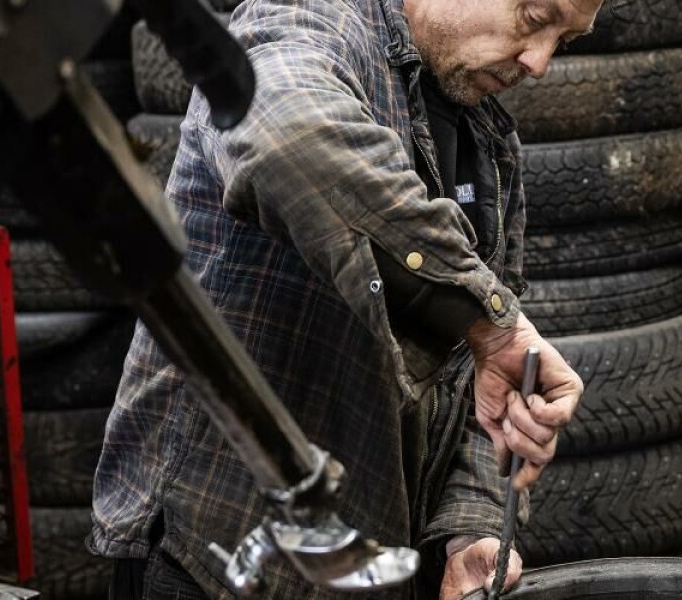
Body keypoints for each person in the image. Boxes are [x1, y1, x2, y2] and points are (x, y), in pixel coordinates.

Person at [89, 0, 601, 598]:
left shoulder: (486, 139)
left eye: (564, 40)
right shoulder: (309, 23)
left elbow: (479, 376)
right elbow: (285, 134)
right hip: (219, 559)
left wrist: (472, 530)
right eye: (535, 17)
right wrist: (493, 326)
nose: (539, 63)